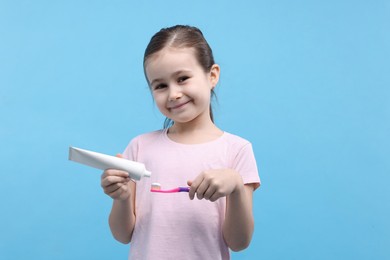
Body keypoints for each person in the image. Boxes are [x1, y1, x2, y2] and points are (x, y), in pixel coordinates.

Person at [100, 25, 261, 260]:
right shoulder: (139, 147)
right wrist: (121, 198)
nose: (173, 93)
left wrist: (236, 186)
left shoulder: (237, 150)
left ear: (212, 76)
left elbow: (239, 242)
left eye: (183, 78)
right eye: (161, 85)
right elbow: (122, 234)